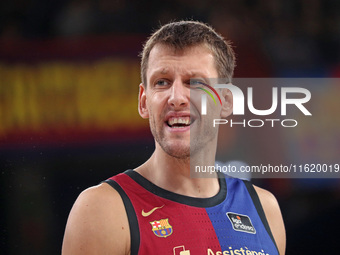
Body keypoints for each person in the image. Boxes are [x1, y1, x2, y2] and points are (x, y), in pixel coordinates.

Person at [62, 20, 286, 255]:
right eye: (162, 82)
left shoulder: (264, 209)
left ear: (226, 101)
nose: (176, 97)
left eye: (195, 83)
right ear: (143, 101)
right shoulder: (102, 210)